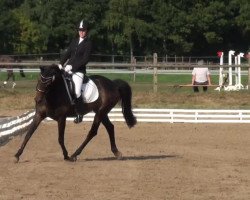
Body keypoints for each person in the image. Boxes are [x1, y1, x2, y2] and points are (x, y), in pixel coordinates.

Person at [58, 20, 92, 124]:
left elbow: (85, 60)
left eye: (83, 30)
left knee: (77, 91)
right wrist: (60, 63)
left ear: (86, 31)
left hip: (79, 71)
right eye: (80, 30)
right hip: (68, 68)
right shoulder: (74, 41)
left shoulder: (88, 43)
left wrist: (72, 67)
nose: (81, 32)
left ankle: (80, 113)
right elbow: (67, 53)